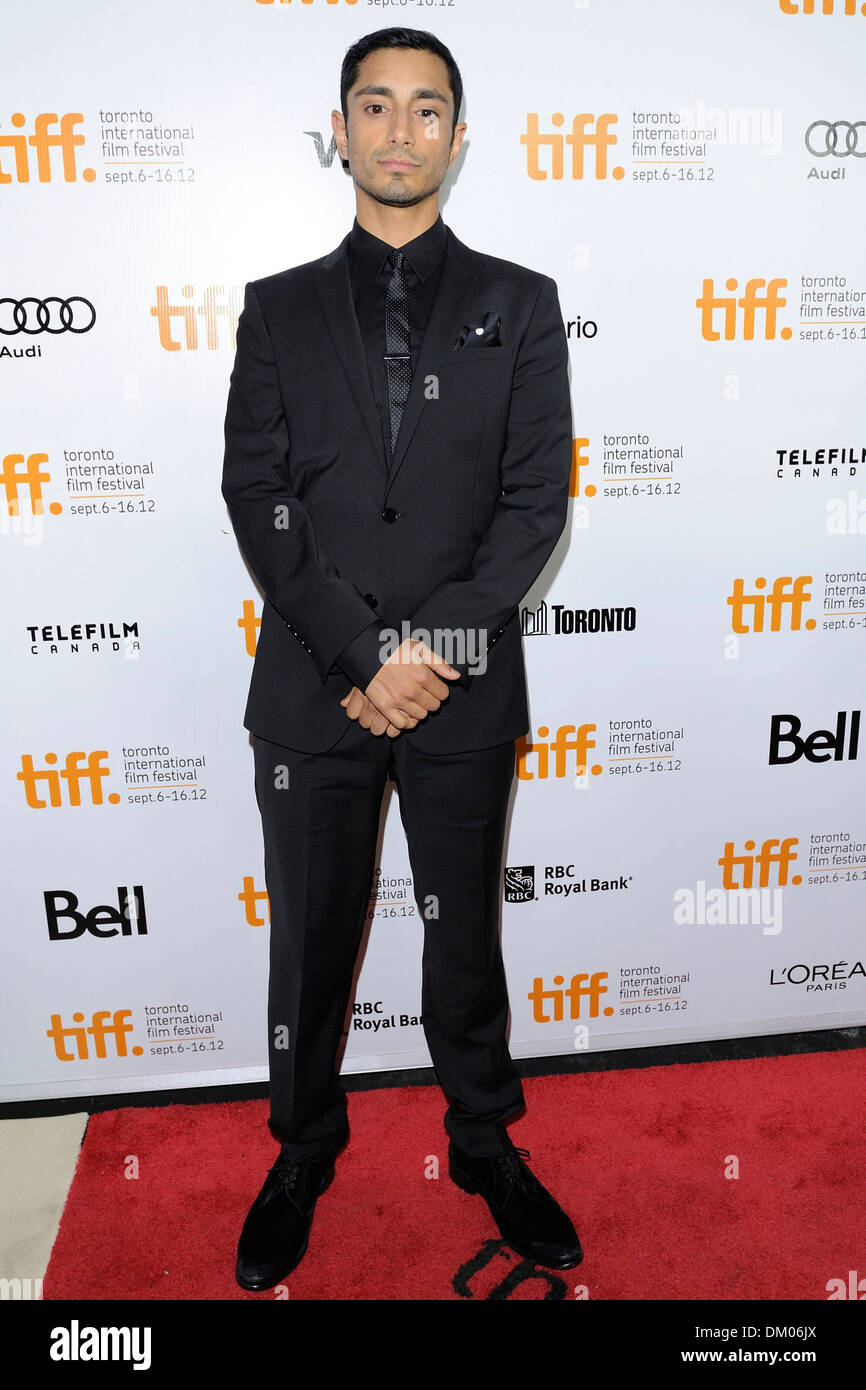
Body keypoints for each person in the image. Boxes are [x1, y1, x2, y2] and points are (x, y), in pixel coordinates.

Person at [221, 25, 581, 1292]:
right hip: (315, 686)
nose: (398, 130)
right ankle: (301, 1147)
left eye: (426, 110)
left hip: (462, 689)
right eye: (373, 106)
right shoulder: (274, 310)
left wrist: (428, 651)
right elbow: (257, 493)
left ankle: (482, 1141)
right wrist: (364, 652)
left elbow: (534, 504)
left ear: (456, 139)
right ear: (339, 130)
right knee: (311, 940)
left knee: (459, 930)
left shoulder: (518, 304)